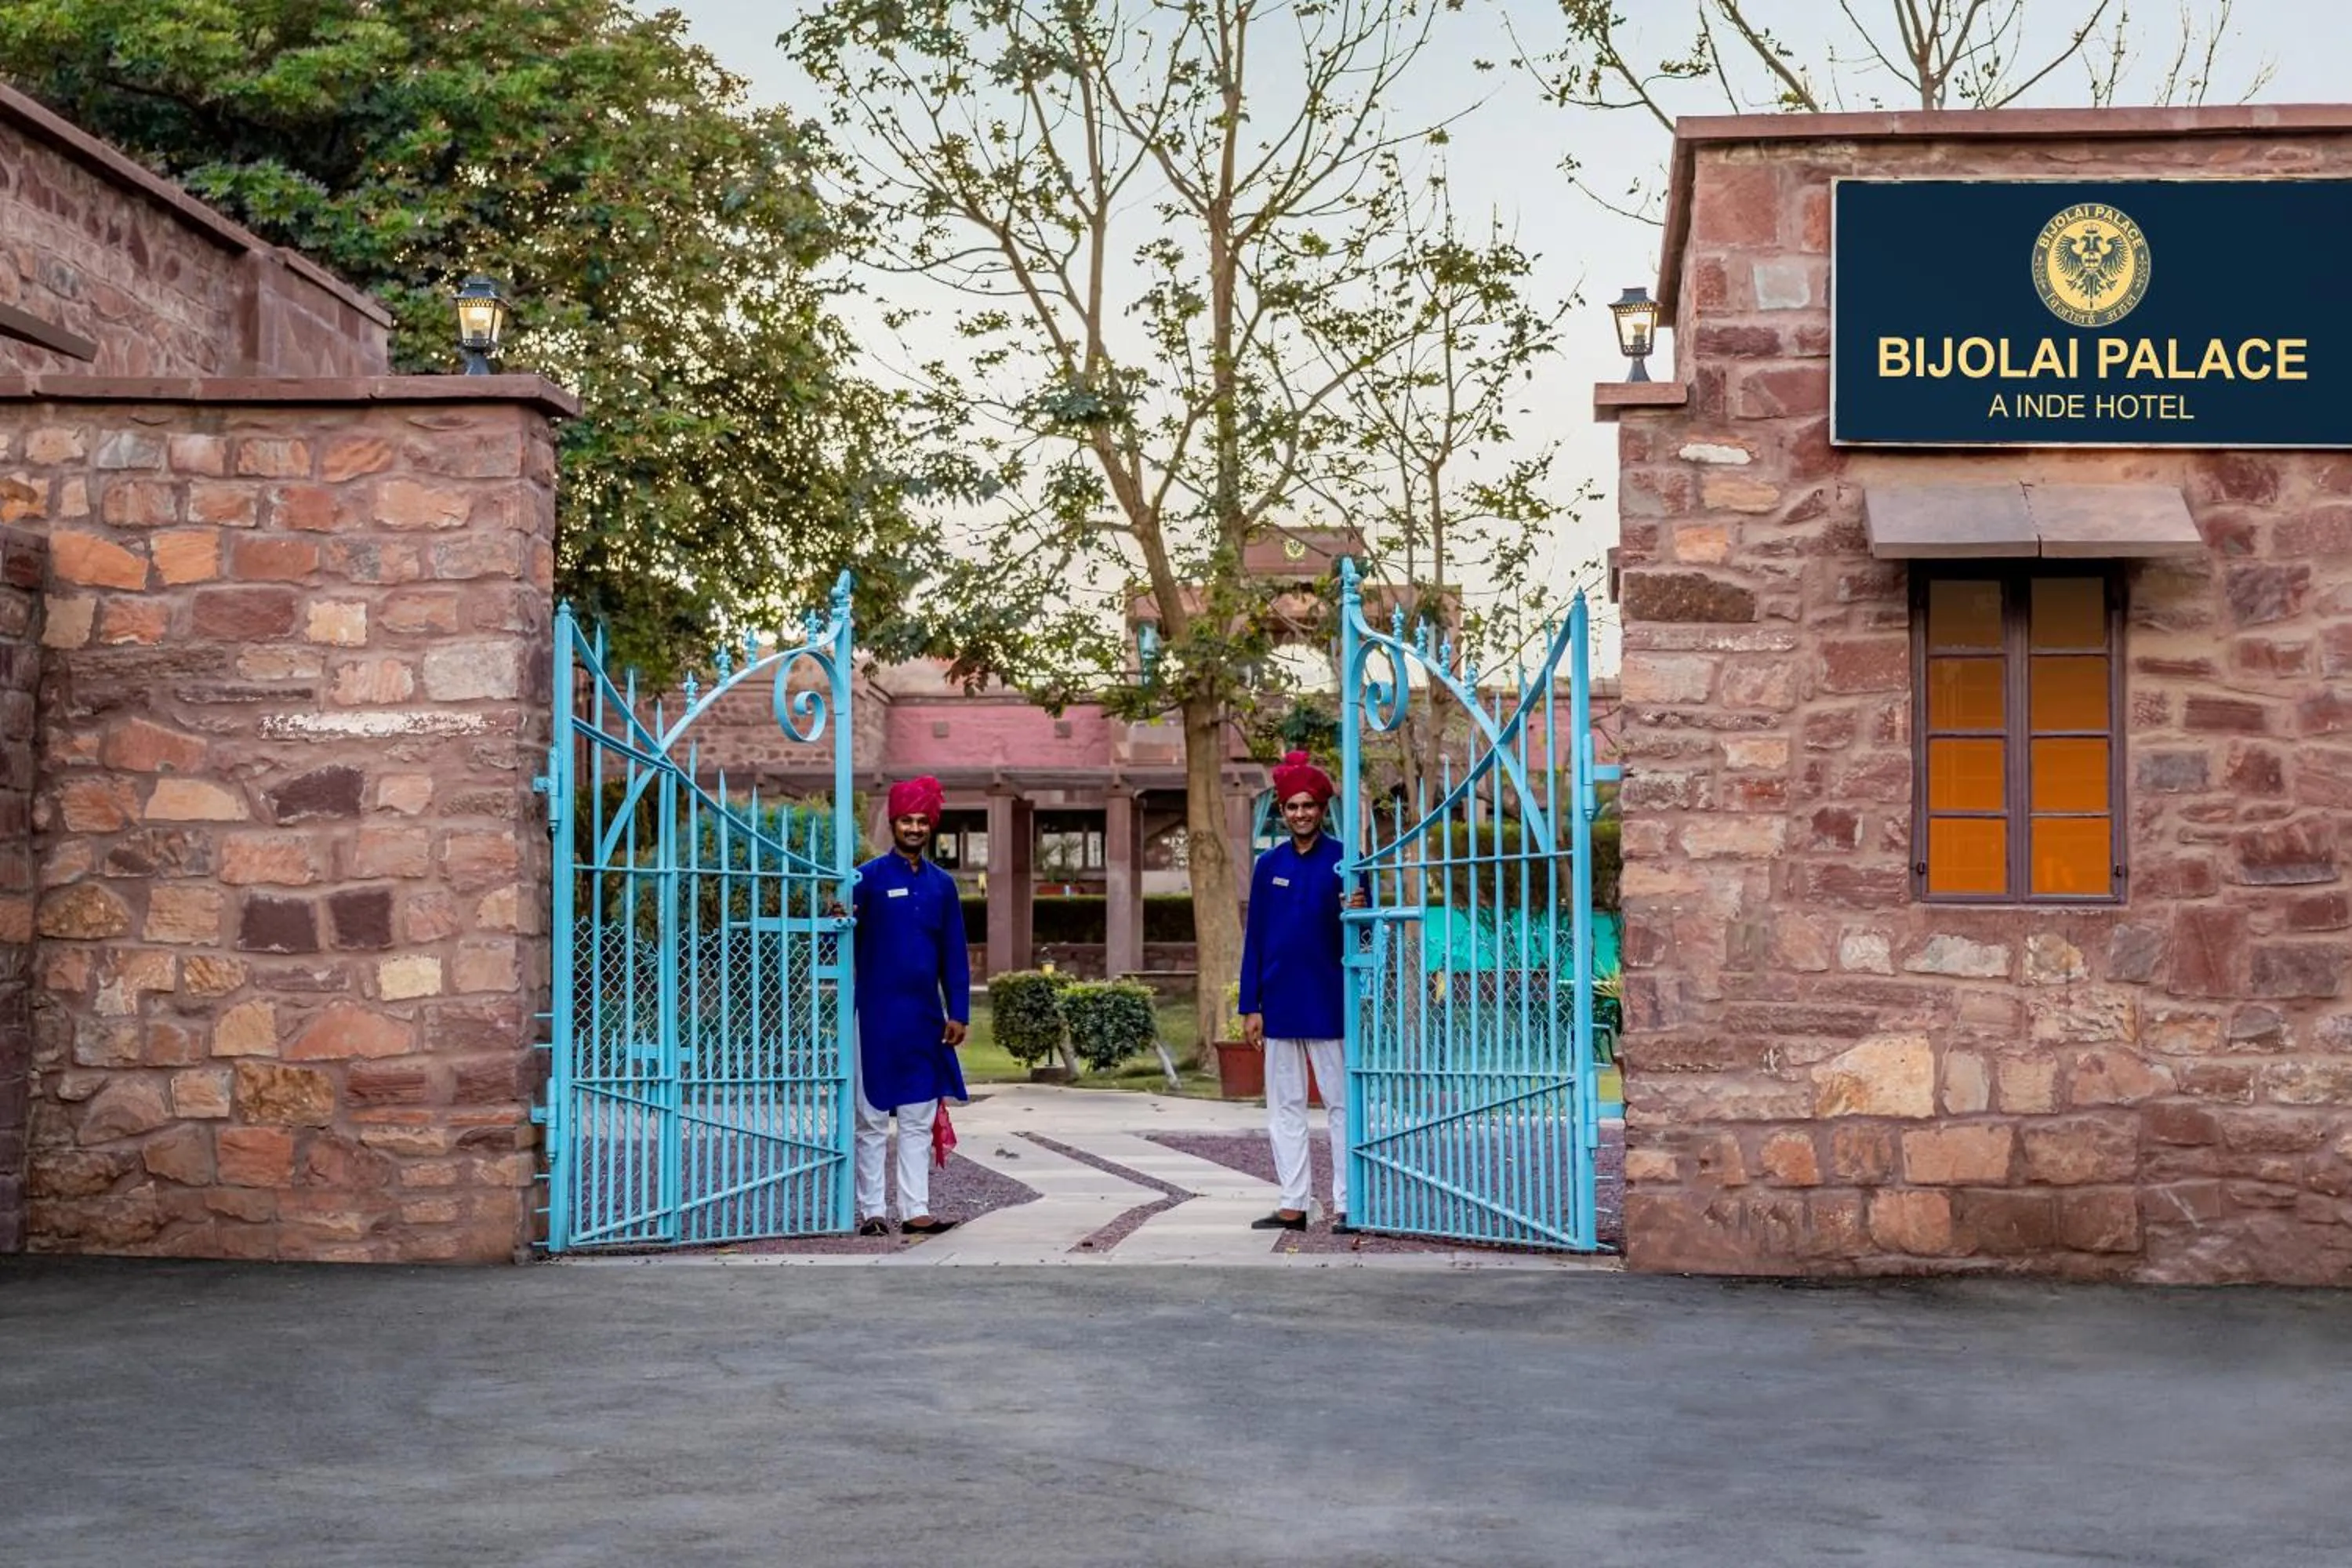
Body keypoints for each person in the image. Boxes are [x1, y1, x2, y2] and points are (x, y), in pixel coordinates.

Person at [1236, 750, 1366, 1233]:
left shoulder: (1346, 862)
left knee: (1340, 1105)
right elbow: (1256, 938)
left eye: (1308, 805)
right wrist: (1251, 1005)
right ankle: (1293, 1204)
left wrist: (1356, 908)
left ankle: (1349, 1204)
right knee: (1284, 1106)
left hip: (1330, 1002)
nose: (1300, 814)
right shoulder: (1268, 864)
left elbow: (1367, 937)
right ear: (1282, 812)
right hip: (1280, 1004)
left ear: (1322, 808)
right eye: (1291, 807)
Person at [849, 775, 970, 1236]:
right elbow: (838, 937)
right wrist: (838, 916)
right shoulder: (867, 879)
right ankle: (873, 1211)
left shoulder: (943, 886)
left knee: (919, 1116)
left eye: (922, 821)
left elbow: (954, 952)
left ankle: (916, 1210)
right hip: (875, 1016)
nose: (915, 828)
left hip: (924, 1018)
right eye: (907, 820)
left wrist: (958, 1011)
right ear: (893, 824)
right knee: (872, 1116)